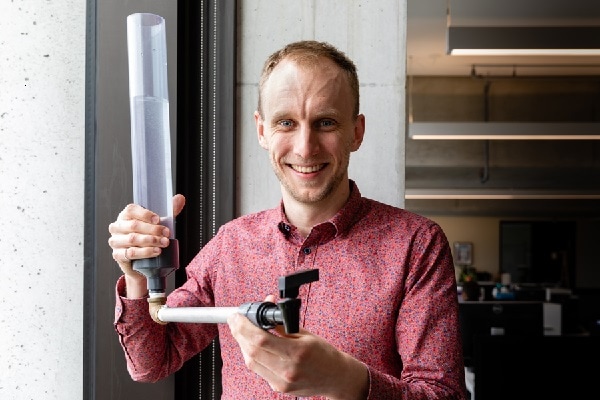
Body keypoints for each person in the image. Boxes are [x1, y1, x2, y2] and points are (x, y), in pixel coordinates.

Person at [108, 40, 467, 399]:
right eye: (286, 122)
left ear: (356, 132)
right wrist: (138, 279)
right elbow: (151, 362)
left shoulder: (416, 244)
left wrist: (347, 381)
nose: (305, 147)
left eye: (325, 122)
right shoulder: (231, 244)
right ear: (263, 131)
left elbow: (443, 393)